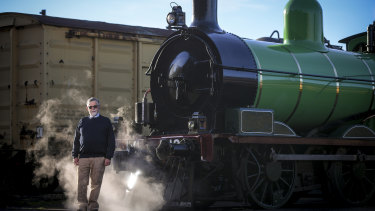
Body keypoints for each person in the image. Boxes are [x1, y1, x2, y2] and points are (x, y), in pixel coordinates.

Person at [72, 97, 116, 211]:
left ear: (99, 107)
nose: (93, 108)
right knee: (81, 183)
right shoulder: (82, 121)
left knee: (95, 185)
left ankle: (93, 207)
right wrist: (74, 155)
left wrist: (108, 156)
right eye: (90, 107)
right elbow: (76, 140)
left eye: (95, 106)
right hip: (83, 158)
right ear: (87, 108)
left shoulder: (105, 121)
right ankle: (81, 206)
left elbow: (111, 141)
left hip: (99, 158)